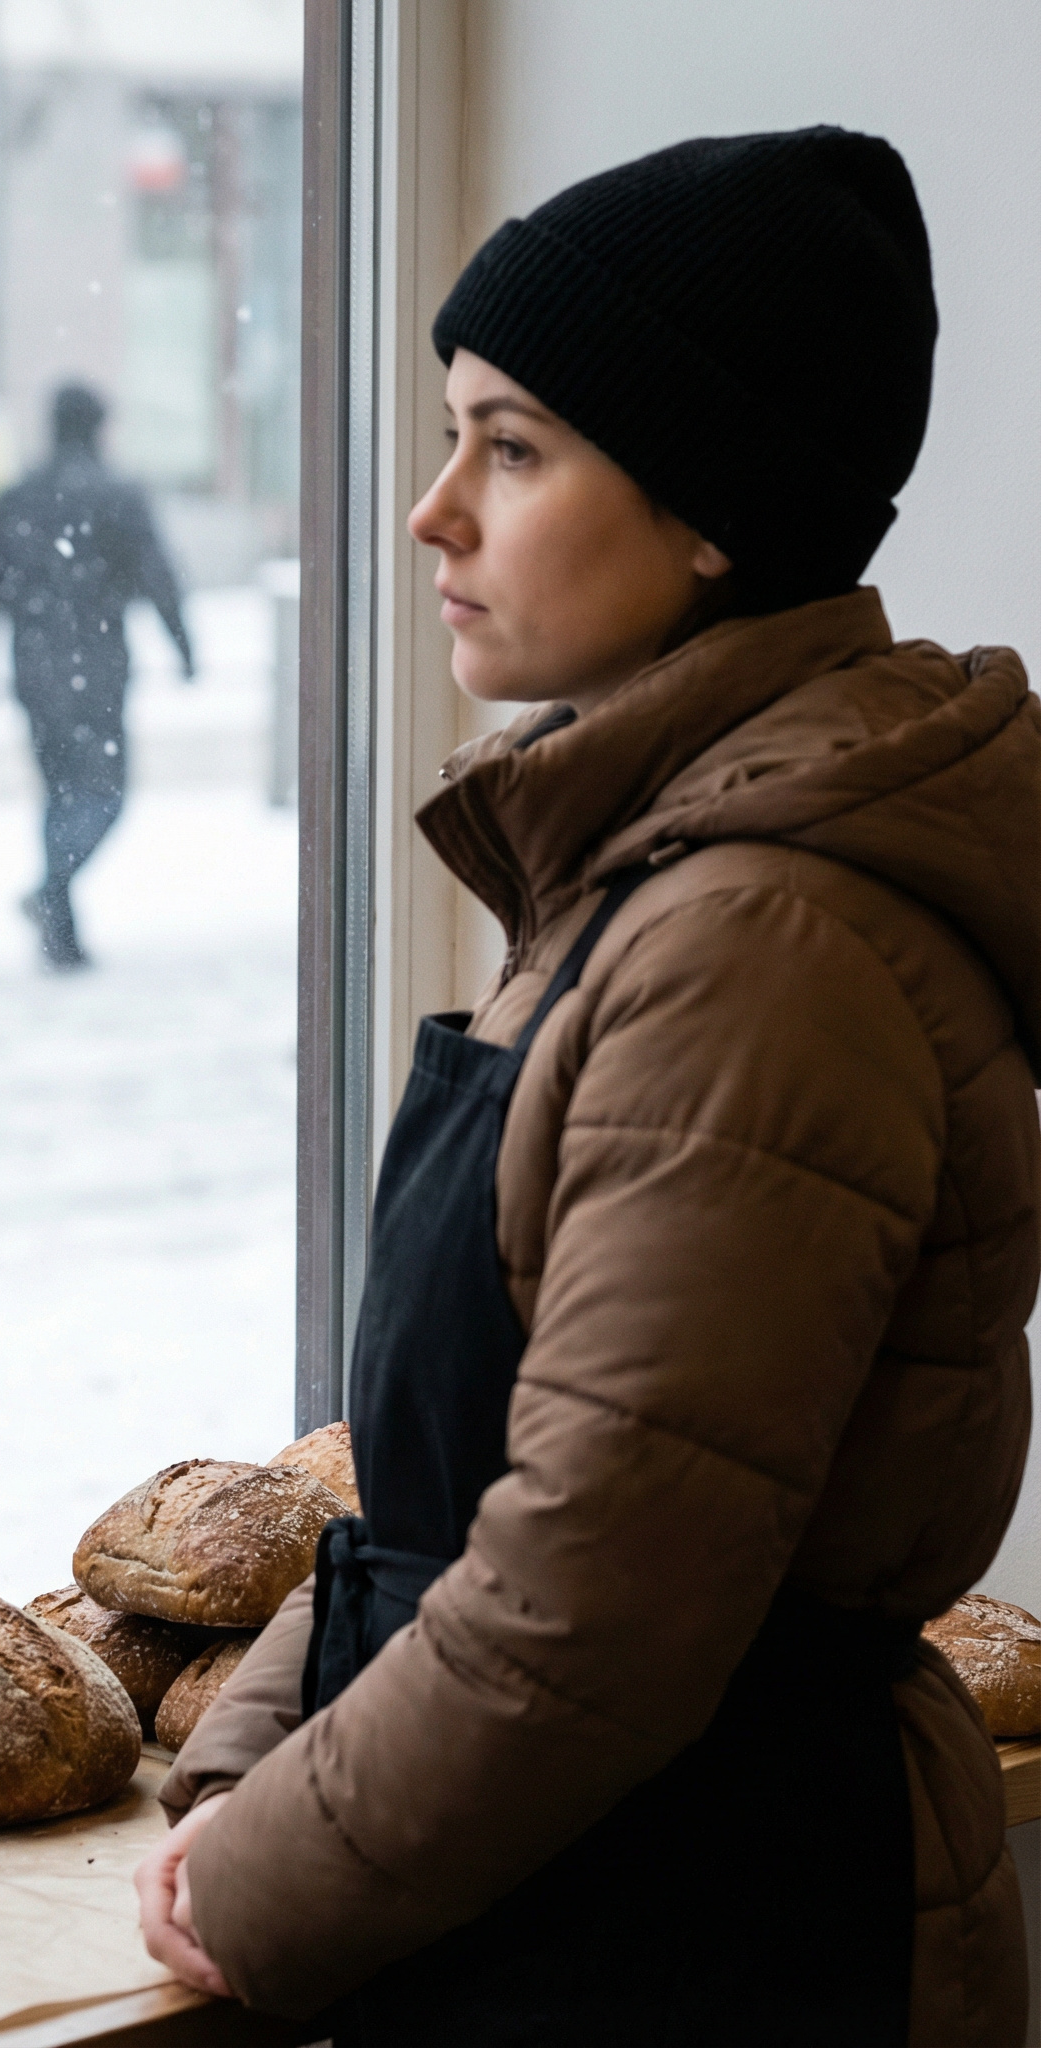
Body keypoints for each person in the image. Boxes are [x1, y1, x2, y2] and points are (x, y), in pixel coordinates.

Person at [136, 128, 1040, 2043]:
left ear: (711, 510)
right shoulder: (645, 873)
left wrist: (269, 1870)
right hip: (556, 1898)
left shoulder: (758, 950)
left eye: (514, 445)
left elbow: (591, 1603)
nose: (430, 511)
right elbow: (443, 1510)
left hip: (694, 1934)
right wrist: (244, 1777)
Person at [0, 383, 194, 968]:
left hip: (34, 668)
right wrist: (183, 645)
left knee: (59, 793)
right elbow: (158, 576)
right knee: (104, 795)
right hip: (99, 666)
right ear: (96, 428)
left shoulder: (16, 498)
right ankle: (52, 894)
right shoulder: (117, 494)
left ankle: (58, 927)